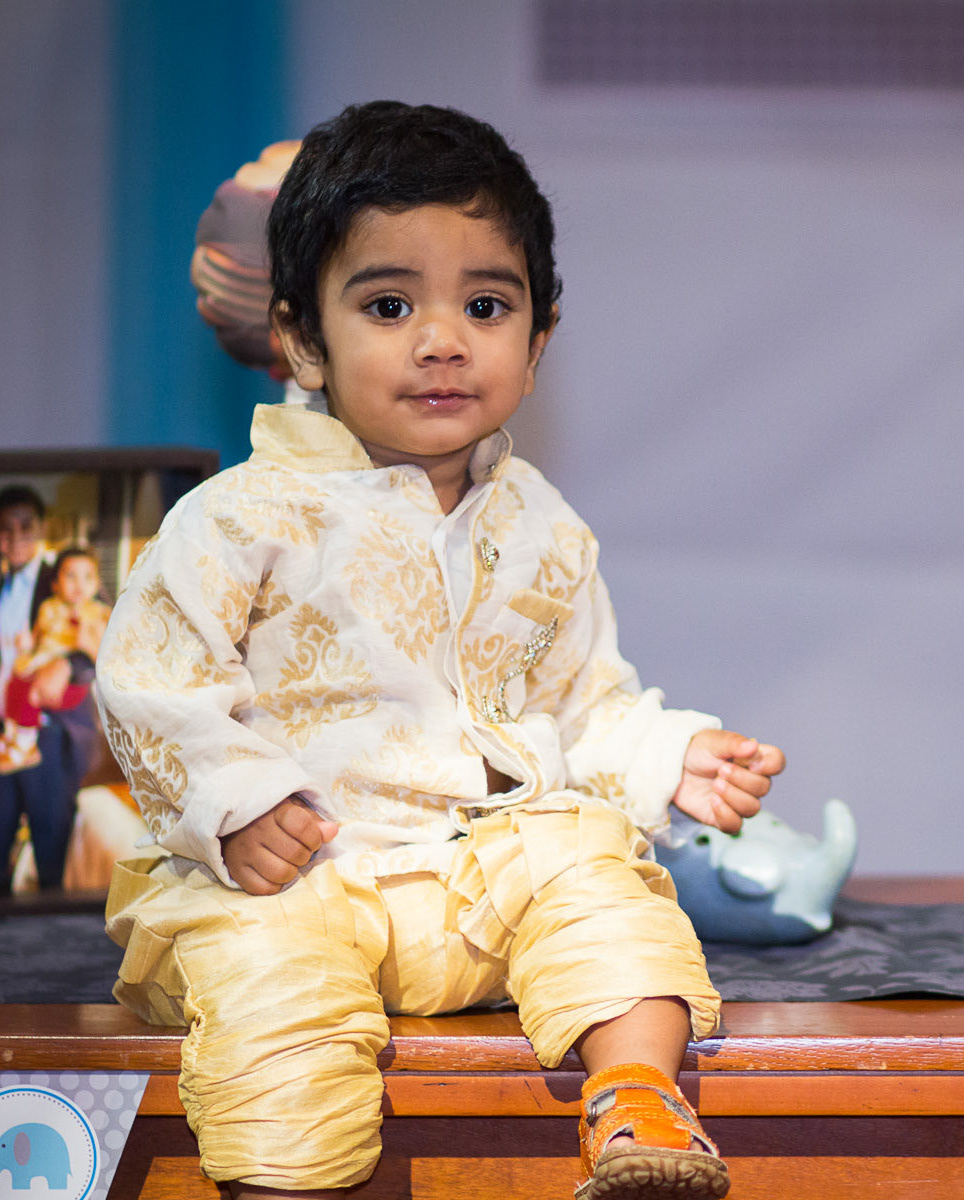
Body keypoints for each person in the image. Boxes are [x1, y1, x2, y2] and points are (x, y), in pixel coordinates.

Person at [98, 101, 784, 1200]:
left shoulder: (541, 525)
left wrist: (668, 755)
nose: (442, 340)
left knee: (597, 868)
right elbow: (151, 684)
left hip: (478, 890)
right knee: (267, 987)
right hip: (297, 883)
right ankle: (289, 1183)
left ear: (538, 341)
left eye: (485, 305)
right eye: (388, 305)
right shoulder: (240, 517)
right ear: (302, 340)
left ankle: (636, 1107)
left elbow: (582, 705)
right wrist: (235, 803)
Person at [0, 486, 94, 892]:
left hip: (52, 738)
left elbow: (104, 631)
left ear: (40, 528)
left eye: (25, 526)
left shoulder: (68, 573)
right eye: (5, 529)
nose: (15, 537)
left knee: (51, 860)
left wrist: (67, 665)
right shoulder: (2, 584)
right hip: (5, 740)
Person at [1, 547, 110, 772]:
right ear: (56, 585)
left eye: (87, 577)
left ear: (97, 584)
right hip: (40, 662)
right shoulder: (50, 607)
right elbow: (38, 635)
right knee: (16, 684)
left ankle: (25, 746)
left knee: (31, 693)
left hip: (69, 687)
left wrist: (85, 645)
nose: (79, 584)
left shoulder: (97, 614)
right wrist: (27, 643)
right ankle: (12, 737)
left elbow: (105, 657)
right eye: (71, 576)